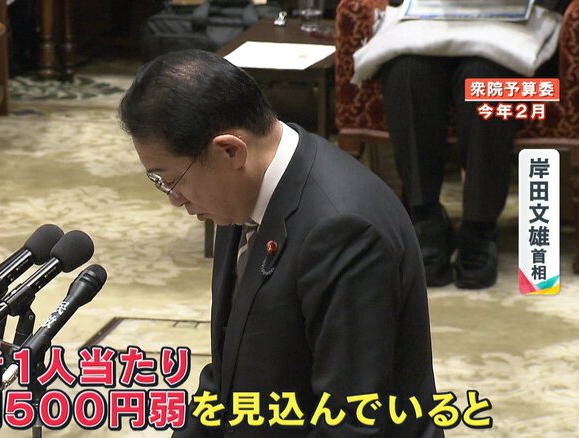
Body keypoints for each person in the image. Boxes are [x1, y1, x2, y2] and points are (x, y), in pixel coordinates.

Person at [119, 49, 443, 437]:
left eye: (171, 180)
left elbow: (352, 424)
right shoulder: (241, 193)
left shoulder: (343, 230)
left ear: (230, 150)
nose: (174, 199)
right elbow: (230, 372)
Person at [379, 0, 570, 289]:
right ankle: (425, 218)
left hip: (511, 27)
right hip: (428, 22)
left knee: (485, 78)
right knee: (408, 71)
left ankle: (480, 227)